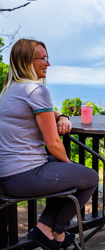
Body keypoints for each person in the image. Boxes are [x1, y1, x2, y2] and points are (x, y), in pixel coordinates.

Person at [0, 39, 99, 250]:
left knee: (66, 173)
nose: (48, 63)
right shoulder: (36, 90)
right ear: (27, 61)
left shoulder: (9, 90)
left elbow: (44, 111)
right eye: (42, 58)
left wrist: (62, 115)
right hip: (23, 175)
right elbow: (53, 142)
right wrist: (69, 165)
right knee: (90, 177)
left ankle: (45, 228)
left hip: (7, 174)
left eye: (47, 58)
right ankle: (57, 230)